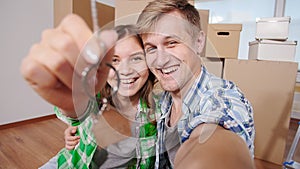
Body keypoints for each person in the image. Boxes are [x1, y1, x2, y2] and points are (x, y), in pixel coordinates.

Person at [135, 0, 255, 168]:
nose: (160, 60)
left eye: (172, 43)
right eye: (151, 48)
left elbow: (216, 142)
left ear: (199, 42)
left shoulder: (220, 98)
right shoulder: (164, 100)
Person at [23, 24, 157, 168]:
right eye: (115, 60)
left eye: (136, 58)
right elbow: (74, 112)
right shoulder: (94, 96)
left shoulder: (159, 109)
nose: (125, 71)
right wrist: (68, 101)